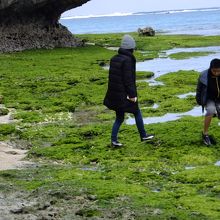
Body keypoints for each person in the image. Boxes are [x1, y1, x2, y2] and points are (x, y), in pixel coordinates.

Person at [103, 34, 154, 147]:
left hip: (114, 94)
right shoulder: (127, 60)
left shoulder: (114, 58)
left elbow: (114, 79)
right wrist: (132, 95)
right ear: (131, 48)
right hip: (122, 95)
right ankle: (143, 135)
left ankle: (113, 140)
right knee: (136, 111)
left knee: (120, 117)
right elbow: (128, 80)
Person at [196, 58, 220, 146]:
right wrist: (199, 100)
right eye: (214, 71)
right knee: (210, 110)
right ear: (210, 68)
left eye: (218, 71)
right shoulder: (203, 75)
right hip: (209, 99)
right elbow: (199, 90)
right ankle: (205, 134)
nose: (216, 73)